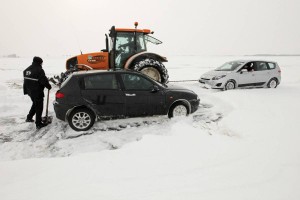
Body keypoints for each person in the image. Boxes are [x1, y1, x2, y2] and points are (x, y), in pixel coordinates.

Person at [23, 56, 52, 129]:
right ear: (39, 62)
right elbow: (43, 80)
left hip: (29, 91)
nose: (42, 64)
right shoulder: (39, 70)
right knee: (39, 107)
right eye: (41, 63)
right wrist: (48, 86)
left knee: (35, 103)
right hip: (37, 91)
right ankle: (38, 124)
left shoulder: (26, 70)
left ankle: (29, 117)